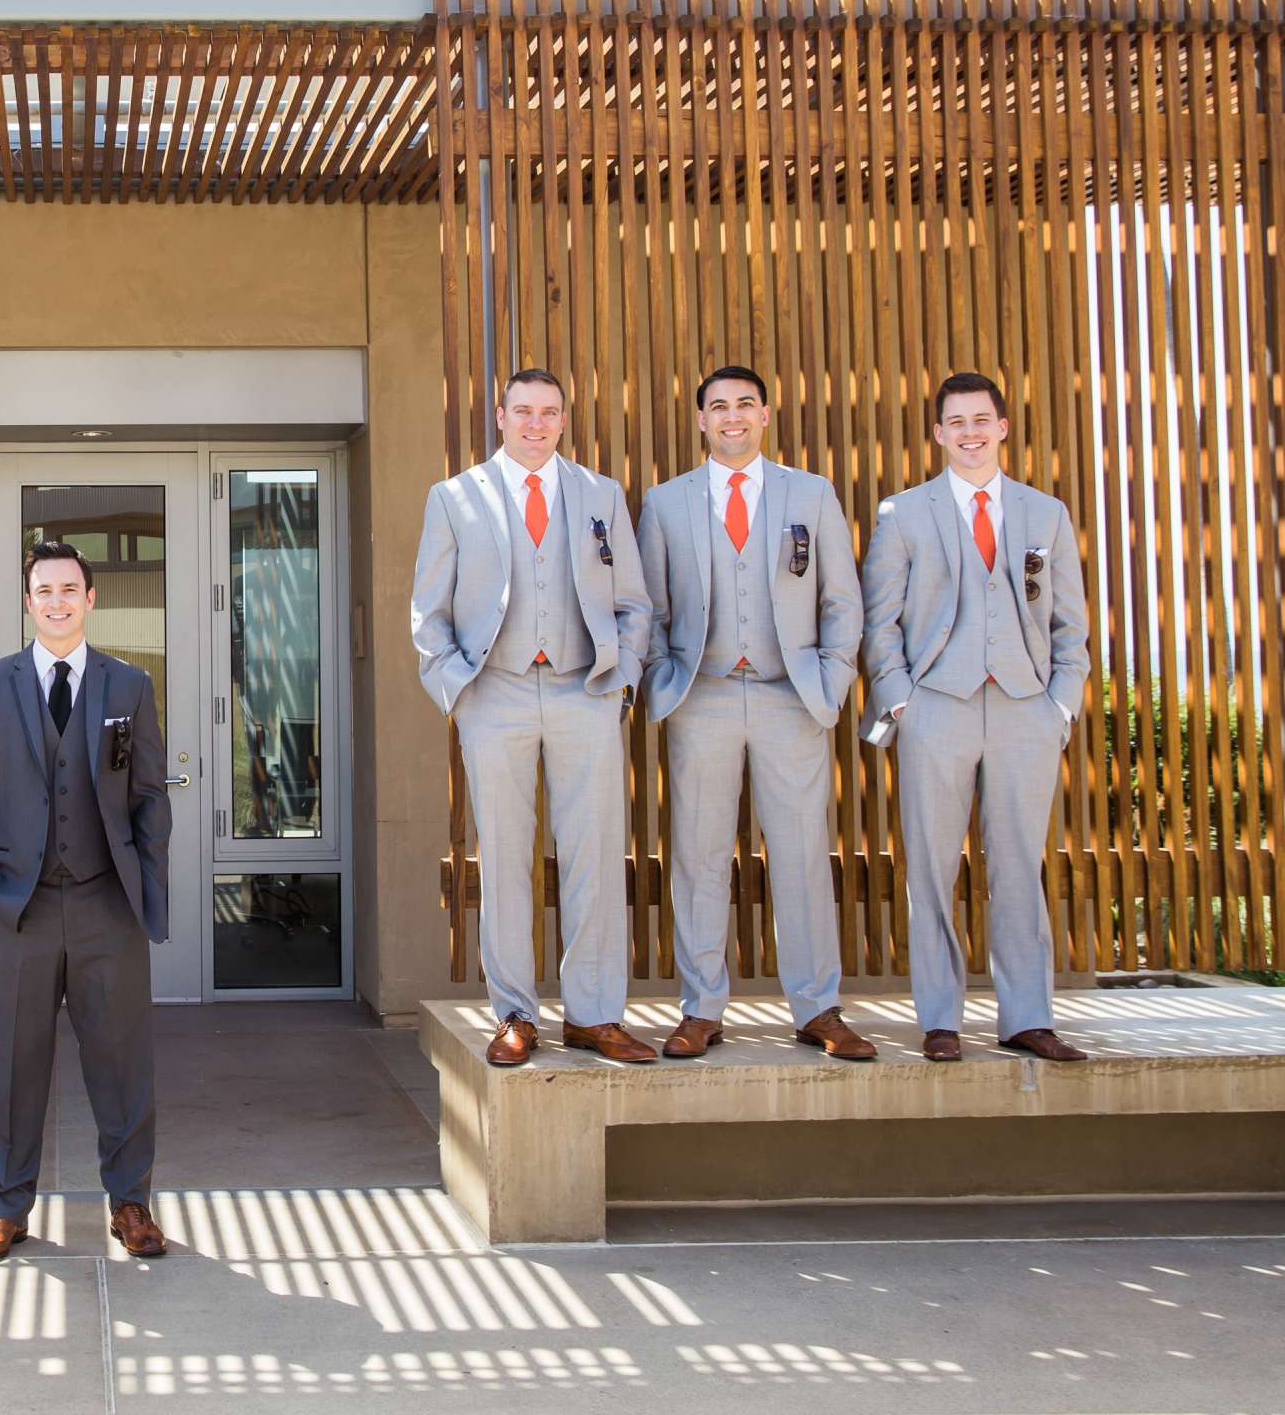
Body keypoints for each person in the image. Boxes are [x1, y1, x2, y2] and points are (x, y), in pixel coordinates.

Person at [411, 368, 655, 1067]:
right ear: (500, 415)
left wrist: (623, 684)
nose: (537, 424)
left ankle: (594, 1015)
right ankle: (515, 1013)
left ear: (564, 419)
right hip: (498, 692)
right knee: (506, 860)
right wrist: (460, 690)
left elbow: (633, 601)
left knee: (595, 859)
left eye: (549, 413)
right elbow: (429, 611)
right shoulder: (456, 497)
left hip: (588, 689)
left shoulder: (601, 493)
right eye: (524, 411)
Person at [637, 367, 874, 1061]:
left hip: (789, 697)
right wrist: (662, 678)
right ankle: (701, 1008)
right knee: (700, 857)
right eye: (719, 407)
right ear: (701, 420)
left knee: (801, 856)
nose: (732, 416)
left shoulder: (811, 493)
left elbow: (842, 602)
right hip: (701, 694)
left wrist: (828, 684)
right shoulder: (666, 502)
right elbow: (650, 609)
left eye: (745, 404)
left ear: (766, 414)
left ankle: (817, 1007)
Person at [860, 371, 1090, 1063]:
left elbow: (1069, 625)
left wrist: (1059, 706)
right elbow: (880, 621)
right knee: (931, 866)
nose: (969, 432)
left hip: (1025, 709)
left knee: (1019, 863)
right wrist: (900, 699)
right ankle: (940, 1019)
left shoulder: (1044, 513)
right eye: (956, 422)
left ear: (1003, 427)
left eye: (981, 420)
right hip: (937, 707)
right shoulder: (903, 513)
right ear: (938, 433)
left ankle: (1027, 1016)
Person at [0, 542, 174, 1263]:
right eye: (43, 589)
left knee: (122, 1062)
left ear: (90, 598)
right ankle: (8, 1203)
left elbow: (147, 796)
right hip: (17, 909)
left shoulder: (129, 686)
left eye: (69, 589)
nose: (56, 600)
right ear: (28, 600)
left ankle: (131, 1202)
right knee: (11, 1067)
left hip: (106, 906)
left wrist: (142, 887)